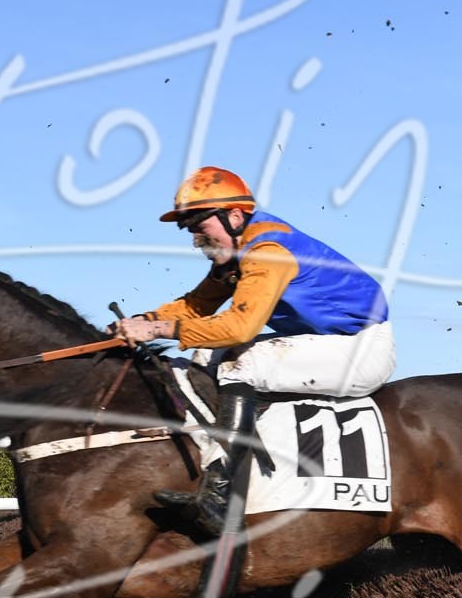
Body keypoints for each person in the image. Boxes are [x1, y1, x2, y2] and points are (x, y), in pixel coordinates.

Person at [113, 166, 394, 535]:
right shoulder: (236, 250)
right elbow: (196, 306)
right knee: (204, 355)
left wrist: (155, 329)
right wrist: (141, 320)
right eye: (189, 228)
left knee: (241, 362)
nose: (196, 238)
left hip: (361, 351)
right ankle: (213, 459)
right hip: (328, 343)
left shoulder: (266, 252)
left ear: (234, 216)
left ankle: (220, 494)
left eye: (200, 224)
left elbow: (240, 327)